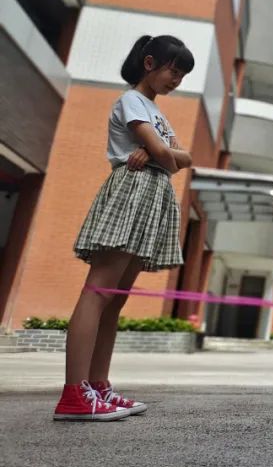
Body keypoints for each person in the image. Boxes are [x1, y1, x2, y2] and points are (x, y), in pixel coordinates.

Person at [54, 35, 195, 421]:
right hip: (132, 191)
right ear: (149, 63)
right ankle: (74, 393)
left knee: (115, 299)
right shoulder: (131, 100)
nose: (176, 80)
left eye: (182, 75)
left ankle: (98, 386)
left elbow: (184, 156)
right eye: (173, 70)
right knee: (99, 291)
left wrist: (158, 152)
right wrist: (160, 152)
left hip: (151, 193)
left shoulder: (154, 110)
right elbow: (170, 155)